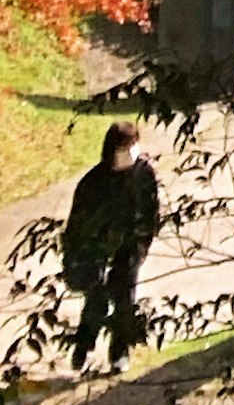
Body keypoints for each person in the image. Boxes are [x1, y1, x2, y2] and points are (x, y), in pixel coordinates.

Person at [58, 117, 162, 371]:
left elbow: (151, 212)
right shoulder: (93, 182)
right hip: (96, 249)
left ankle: (119, 351)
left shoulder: (143, 174)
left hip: (129, 246)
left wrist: (141, 244)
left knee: (124, 297)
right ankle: (83, 345)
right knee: (97, 299)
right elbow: (78, 224)